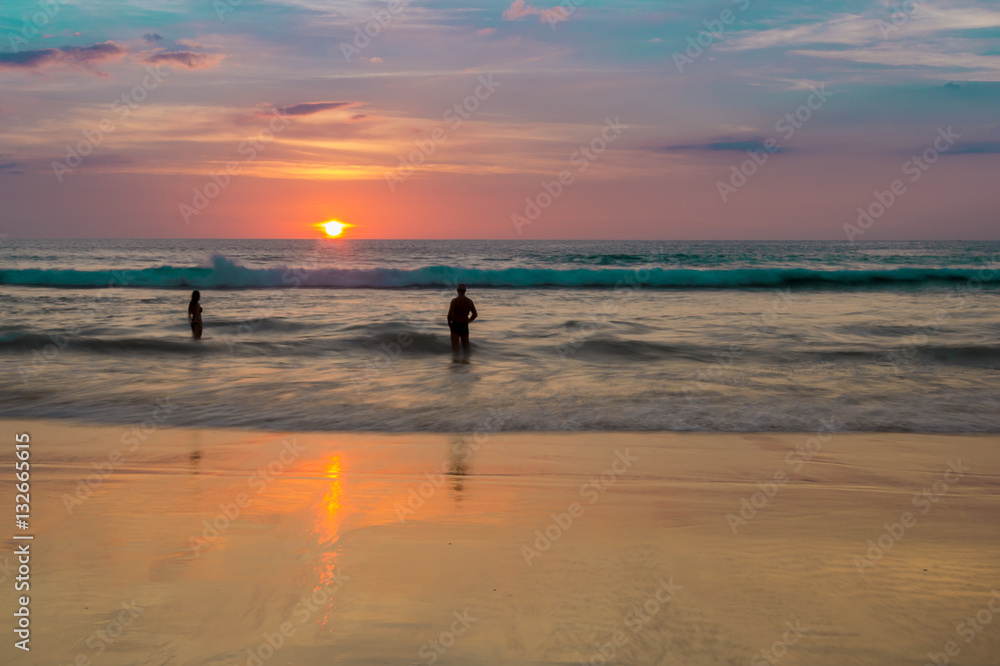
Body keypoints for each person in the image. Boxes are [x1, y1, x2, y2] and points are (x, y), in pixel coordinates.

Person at [447, 284, 477, 353]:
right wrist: (468, 321)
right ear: (465, 291)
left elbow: (449, 315)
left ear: (457, 290)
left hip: (455, 324)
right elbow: (475, 314)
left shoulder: (454, 301)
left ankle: (455, 362)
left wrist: (450, 324)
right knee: (466, 349)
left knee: (455, 349)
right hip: (464, 325)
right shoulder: (469, 301)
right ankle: (465, 362)